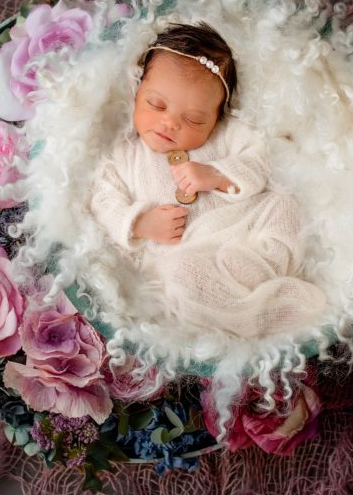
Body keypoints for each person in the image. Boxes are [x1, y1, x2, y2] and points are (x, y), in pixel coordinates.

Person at [88, 23, 326, 338]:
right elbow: (104, 201)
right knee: (181, 281)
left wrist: (216, 174)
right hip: (186, 255)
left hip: (242, 226)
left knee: (283, 205)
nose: (170, 122)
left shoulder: (227, 134)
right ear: (136, 92)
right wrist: (140, 223)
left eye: (194, 119)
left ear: (216, 116)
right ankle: (264, 311)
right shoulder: (124, 155)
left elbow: (258, 162)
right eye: (156, 104)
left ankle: (259, 270)